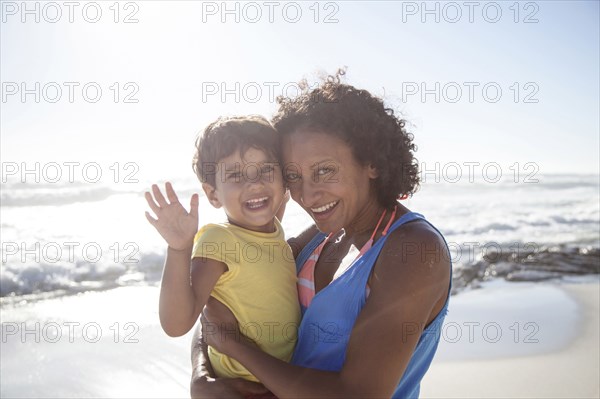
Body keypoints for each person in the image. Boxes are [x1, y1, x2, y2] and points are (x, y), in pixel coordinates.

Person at [192, 70, 452, 399]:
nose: (308, 194)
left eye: (324, 170)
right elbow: (219, 304)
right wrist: (201, 376)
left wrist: (238, 349)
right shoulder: (318, 238)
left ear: (370, 162)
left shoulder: (415, 250)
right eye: (293, 176)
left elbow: (359, 395)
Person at [144, 116, 300, 384]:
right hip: (244, 384)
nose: (254, 184)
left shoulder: (270, 227)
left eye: (265, 170)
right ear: (213, 195)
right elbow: (176, 324)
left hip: (280, 378)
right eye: (236, 175)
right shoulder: (219, 240)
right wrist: (179, 249)